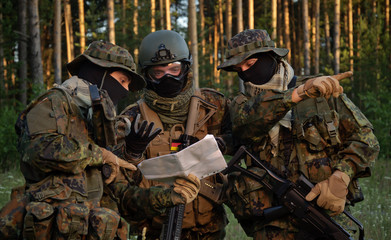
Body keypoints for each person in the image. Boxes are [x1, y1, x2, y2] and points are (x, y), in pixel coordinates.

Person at [0, 40, 201, 239]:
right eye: (122, 81)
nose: (124, 90)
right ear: (99, 72)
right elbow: (38, 151)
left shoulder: (97, 122)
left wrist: (169, 196)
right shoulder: (54, 103)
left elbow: (120, 196)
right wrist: (100, 154)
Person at [218, 29, 380, 239]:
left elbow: (365, 139)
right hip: (271, 226)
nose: (246, 73)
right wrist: (297, 94)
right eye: (239, 69)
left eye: (250, 64)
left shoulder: (322, 92)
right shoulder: (242, 105)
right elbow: (249, 125)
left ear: (271, 57)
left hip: (323, 214)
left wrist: (342, 176)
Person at [116, 30, 232, 240]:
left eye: (174, 69)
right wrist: (130, 153)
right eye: (158, 73)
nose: (168, 77)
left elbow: (245, 139)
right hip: (156, 231)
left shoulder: (213, 106)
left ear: (186, 68)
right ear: (146, 75)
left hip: (210, 229)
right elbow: (120, 191)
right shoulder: (132, 119)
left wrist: (221, 144)